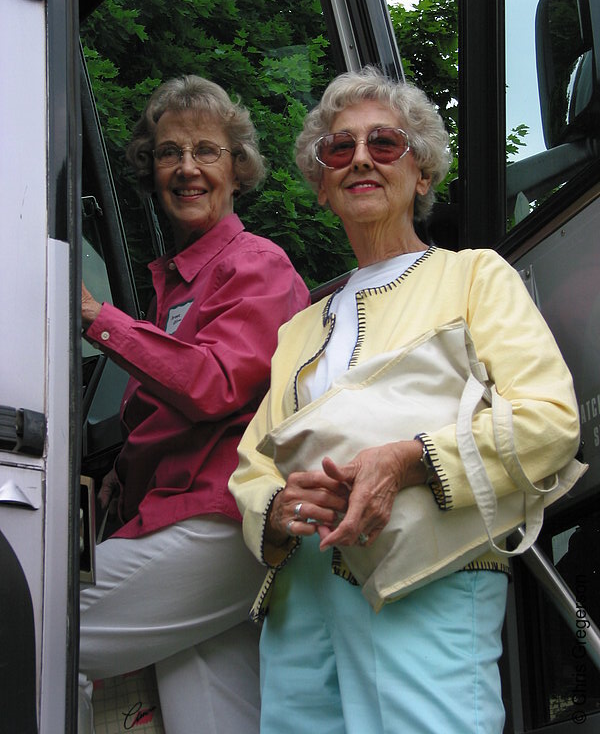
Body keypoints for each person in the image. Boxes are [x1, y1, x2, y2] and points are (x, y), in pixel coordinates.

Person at [228, 66, 581, 734]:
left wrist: (408, 459)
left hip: (428, 578)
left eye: (384, 143)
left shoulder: (473, 276)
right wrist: (274, 510)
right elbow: (253, 465)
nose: (360, 157)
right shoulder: (299, 328)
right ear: (325, 185)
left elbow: (549, 422)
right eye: (340, 148)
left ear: (421, 173)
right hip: (302, 600)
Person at [78, 75, 310, 734]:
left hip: (218, 519)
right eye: (168, 153)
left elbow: (211, 384)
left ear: (237, 169)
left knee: (39, 632)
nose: (187, 168)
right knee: (211, 717)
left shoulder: (254, 264)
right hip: (183, 523)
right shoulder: (173, 284)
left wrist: (100, 318)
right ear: (150, 172)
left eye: (206, 151)